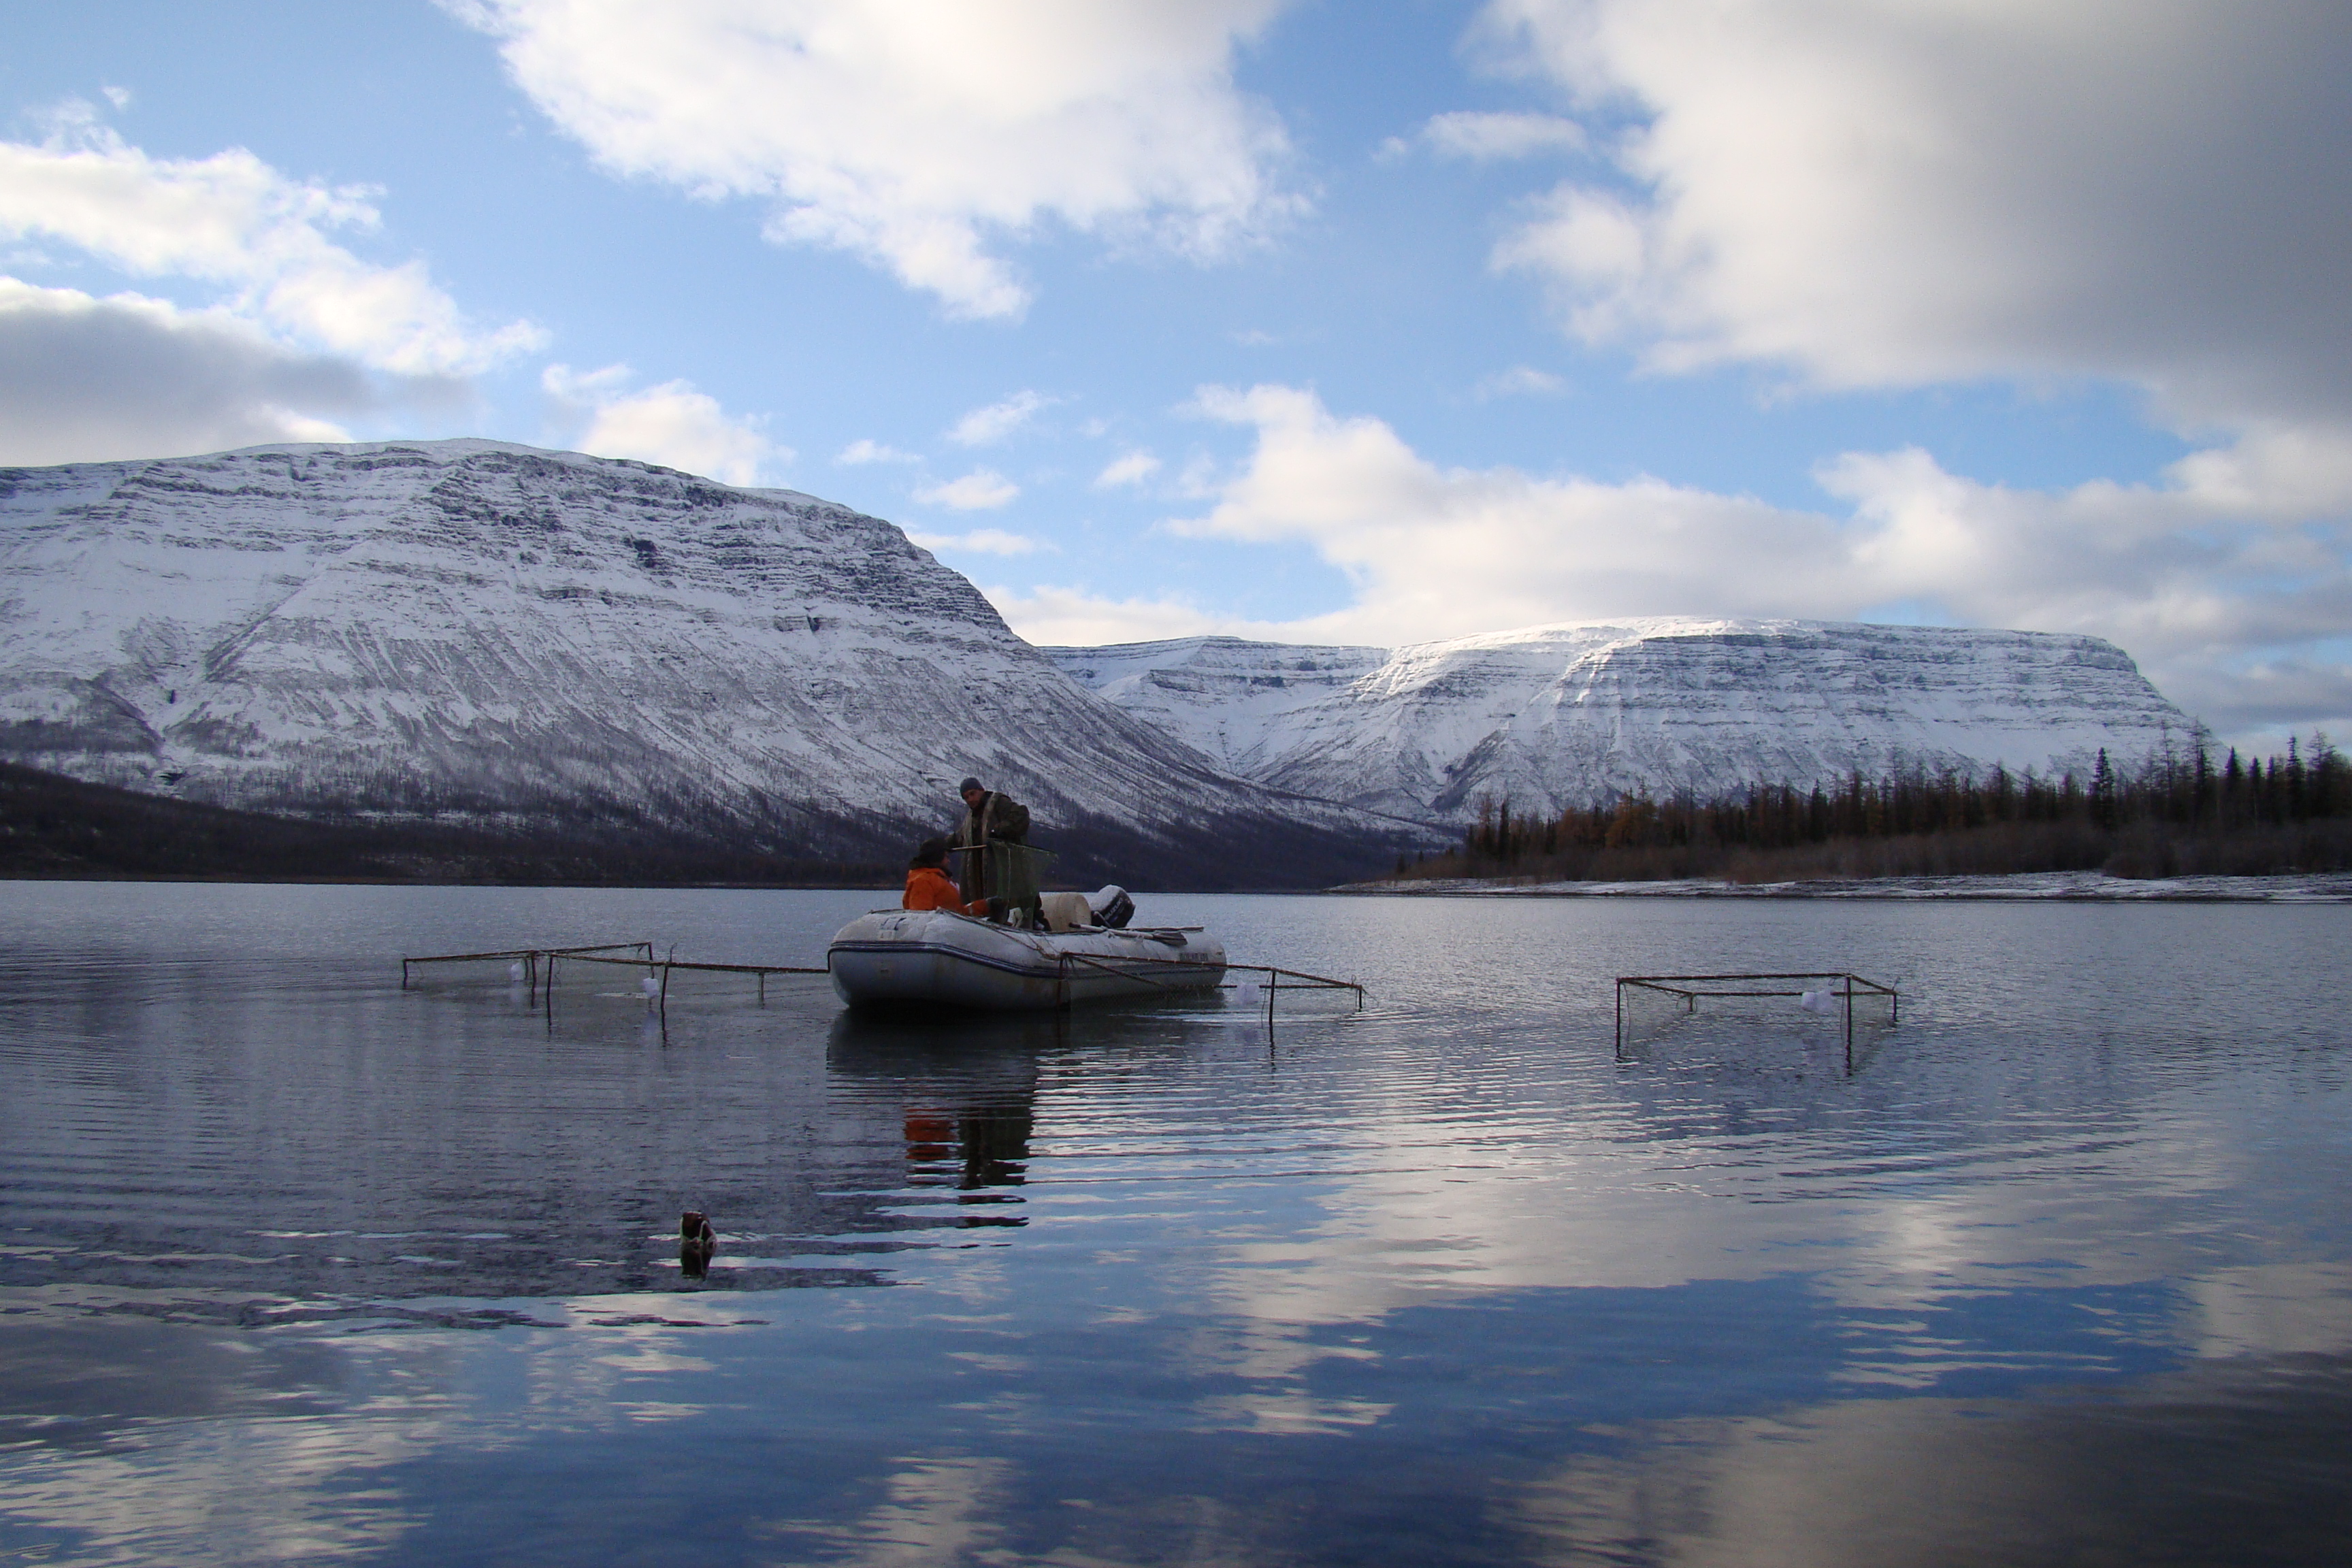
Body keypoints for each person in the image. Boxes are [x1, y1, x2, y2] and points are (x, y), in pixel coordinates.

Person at [949, 777, 1034, 917]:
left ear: (981, 790)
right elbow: (960, 837)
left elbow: (1021, 816)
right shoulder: (971, 818)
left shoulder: (999, 803)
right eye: (966, 797)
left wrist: (999, 831)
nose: (970, 799)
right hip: (982, 876)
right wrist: (941, 845)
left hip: (1006, 870)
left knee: (1011, 905)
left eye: (972, 793)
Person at [903, 838, 993, 916]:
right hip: (939, 934)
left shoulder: (939, 879)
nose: (948, 861)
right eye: (946, 857)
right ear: (937, 857)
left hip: (948, 931)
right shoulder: (923, 880)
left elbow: (958, 914)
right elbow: (921, 918)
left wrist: (985, 905)